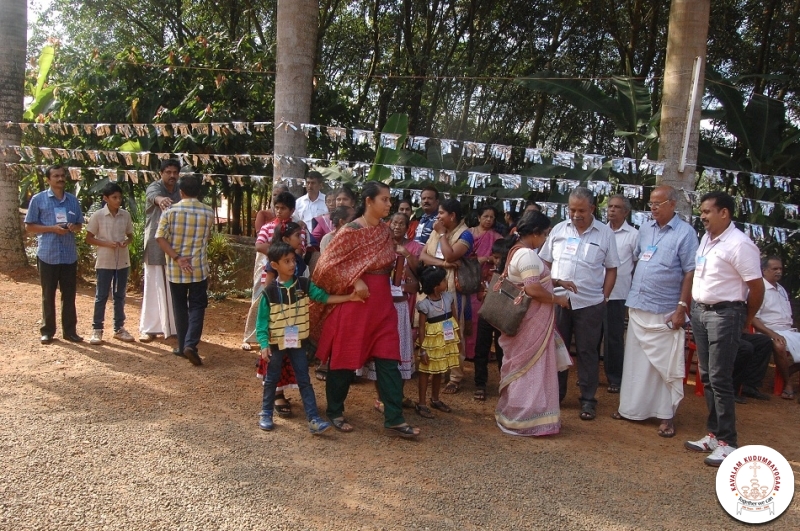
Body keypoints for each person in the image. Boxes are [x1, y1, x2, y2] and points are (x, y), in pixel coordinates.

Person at [311, 181, 420, 438]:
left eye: (389, 199)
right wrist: (355, 278)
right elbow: (326, 266)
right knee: (344, 358)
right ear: (369, 201)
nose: (389, 204)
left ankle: (394, 418)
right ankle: (335, 411)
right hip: (356, 303)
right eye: (384, 199)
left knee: (389, 359)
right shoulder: (350, 231)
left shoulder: (384, 231)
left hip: (382, 303)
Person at [684, 191, 764, 467]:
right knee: (707, 375)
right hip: (701, 312)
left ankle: (728, 442)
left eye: (707, 211)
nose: (703, 216)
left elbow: (757, 287)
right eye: (702, 211)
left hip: (726, 314)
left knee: (720, 378)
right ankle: (713, 434)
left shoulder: (740, 244)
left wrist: (746, 318)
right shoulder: (707, 239)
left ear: (724, 213)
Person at [612, 185, 697, 438]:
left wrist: (682, 307)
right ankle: (631, 409)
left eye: (658, 204)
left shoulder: (686, 233)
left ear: (673, 204)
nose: (653, 208)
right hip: (639, 305)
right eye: (651, 203)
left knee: (662, 366)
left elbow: (690, 271)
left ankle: (666, 415)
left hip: (666, 310)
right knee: (636, 364)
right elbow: (639, 259)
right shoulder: (645, 229)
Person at [255, 242, 363, 434]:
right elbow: (262, 323)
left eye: (293, 260)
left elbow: (323, 297)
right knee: (271, 379)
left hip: (298, 342)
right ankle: (266, 413)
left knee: (304, 379)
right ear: (274, 265)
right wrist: (264, 345)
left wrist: (349, 298)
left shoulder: (303, 285)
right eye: (286, 261)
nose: (292, 264)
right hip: (276, 343)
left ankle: (313, 419)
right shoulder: (269, 292)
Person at [539, 187, 619, 421]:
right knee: (557, 349)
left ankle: (588, 400)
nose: (576, 215)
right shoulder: (558, 230)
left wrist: (604, 298)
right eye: (572, 209)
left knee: (587, 352)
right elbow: (544, 262)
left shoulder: (605, 234)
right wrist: (547, 292)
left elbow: (612, 269)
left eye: (581, 210)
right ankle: (556, 396)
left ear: (592, 208)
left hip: (590, 304)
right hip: (558, 301)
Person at [495, 213, 571, 436]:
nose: (545, 239)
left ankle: (523, 414)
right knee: (530, 368)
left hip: (528, 322)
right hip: (530, 323)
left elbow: (530, 280)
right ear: (536, 233)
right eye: (545, 234)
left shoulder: (518, 251)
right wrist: (558, 299)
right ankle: (524, 418)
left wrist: (557, 281)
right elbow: (532, 289)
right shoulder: (527, 254)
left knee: (529, 368)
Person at [155, 174, 214, 366]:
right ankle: (190, 344)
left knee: (179, 306)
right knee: (197, 306)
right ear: (199, 191)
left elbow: (160, 238)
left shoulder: (170, 212)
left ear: (181, 192)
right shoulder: (208, 212)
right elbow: (207, 237)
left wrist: (177, 258)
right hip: (198, 267)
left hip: (176, 268)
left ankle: (182, 346)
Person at [24, 165, 85, 344]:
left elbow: (80, 225)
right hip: (48, 254)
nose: (60, 179)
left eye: (62, 175)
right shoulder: (38, 199)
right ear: (48, 179)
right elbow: (29, 226)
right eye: (56, 176)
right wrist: (52, 228)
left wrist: (74, 227)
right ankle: (47, 332)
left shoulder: (72, 200)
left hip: (68, 255)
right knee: (48, 294)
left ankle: (70, 332)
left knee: (69, 295)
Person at [419, 198, 474, 394]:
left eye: (442, 213)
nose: (438, 216)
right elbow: (423, 256)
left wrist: (442, 234)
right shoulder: (436, 230)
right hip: (433, 287)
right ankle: (437, 369)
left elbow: (451, 255)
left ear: (452, 215)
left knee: (453, 330)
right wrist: (443, 264)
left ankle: (455, 376)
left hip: (453, 291)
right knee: (433, 329)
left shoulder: (466, 234)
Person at [369, 212, 421, 413]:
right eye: (394, 224)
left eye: (401, 224)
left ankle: (398, 395)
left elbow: (415, 285)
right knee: (381, 353)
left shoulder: (403, 259)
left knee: (401, 352)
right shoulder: (376, 256)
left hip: (400, 310)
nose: (396, 227)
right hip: (381, 309)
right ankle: (381, 398)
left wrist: (400, 287)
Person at [85, 183, 135, 344]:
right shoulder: (98, 215)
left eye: (120, 197)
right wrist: (106, 244)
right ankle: (97, 329)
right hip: (105, 261)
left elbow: (130, 235)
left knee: (120, 296)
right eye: (114, 197)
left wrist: (126, 242)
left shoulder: (125, 215)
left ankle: (119, 328)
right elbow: (89, 238)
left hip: (122, 261)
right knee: (101, 296)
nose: (118, 200)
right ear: (106, 198)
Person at [139, 159, 181, 342]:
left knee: (175, 287)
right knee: (153, 285)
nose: (172, 175)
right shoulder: (154, 187)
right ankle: (149, 328)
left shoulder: (180, 190)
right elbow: (153, 196)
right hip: (155, 244)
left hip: (176, 246)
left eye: (175, 172)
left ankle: (175, 327)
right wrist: (160, 200)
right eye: (168, 172)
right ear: (161, 173)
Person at [414, 266, 461, 418]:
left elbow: (454, 317)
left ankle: (435, 399)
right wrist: (423, 350)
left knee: (440, 369)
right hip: (431, 343)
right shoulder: (424, 305)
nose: (446, 282)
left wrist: (457, 337)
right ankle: (421, 403)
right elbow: (422, 328)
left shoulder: (448, 297)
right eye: (443, 280)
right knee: (425, 371)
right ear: (436, 287)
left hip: (446, 339)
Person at [603, 195, 638, 393]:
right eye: (610, 206)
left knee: (614, 338)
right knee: (591, 337)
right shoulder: (600, 231)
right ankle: (588, 377)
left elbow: (637, 264)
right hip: (594, 292)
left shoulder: (633, 235)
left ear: (626, 212)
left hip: (618, 294)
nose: (612, 210)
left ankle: (615, 378)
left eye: (617, 207)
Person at [752, 256, 800, 400]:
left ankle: (787, 373)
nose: (779, 271)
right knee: (779, 346)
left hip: (788, 331)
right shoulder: (759, 289)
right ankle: (787, 384)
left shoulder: (781, 289)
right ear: (764, 270)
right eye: (774, 269)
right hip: (767, 331)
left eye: (780, 269)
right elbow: (753, 318)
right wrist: (772, 333)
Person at [473, 238, 511, 401]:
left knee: (503, 350)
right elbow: (479, 292)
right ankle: (480, 384)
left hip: (502, 316)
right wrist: (484, 295)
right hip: (486, 314)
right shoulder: (487, 272)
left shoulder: (511, 274)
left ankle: (505, 384)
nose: (497, 261)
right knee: (481, 349)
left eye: (500, 258)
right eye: (495, 257)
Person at [467, 206, 503, 361]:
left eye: (492, 217)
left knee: (480, 318)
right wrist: (480, 260)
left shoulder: (496, 237)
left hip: (486, 282)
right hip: (468, 279)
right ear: (478, 218)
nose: (489, 219)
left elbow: (500, 258)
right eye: (485, 216)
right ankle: (467, 351)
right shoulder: (468, 234)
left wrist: (490, 259)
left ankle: (479, 353)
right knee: (468, 316)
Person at [733, 333, 774, 404]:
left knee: (764, 342)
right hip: (721, 336)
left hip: (735, 335)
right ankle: (731, 390)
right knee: (745, 348)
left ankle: (749, 386)